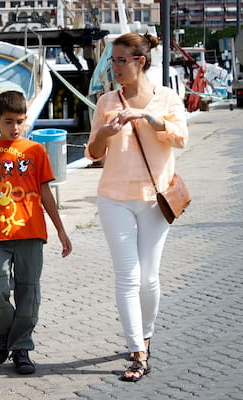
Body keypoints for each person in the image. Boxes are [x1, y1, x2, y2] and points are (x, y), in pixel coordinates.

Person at [85, 33, 188, 382]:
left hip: (155, 197)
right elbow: (93, 153)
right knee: (127, 276)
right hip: (114, 198)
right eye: (111, 61)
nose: (113, 67)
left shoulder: (167, 98)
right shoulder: (106, 102)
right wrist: (106, 132)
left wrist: (147, 117)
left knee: (149, 277)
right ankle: (137, 352)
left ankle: (146, 333)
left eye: (120, 61)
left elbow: (181, 138)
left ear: (140, 61)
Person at [0, 90, 72, 375]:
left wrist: (61, 230)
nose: (15, 128)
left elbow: (46, 193)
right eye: (9, 121)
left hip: (31, 233)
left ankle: (21, 347)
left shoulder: (35, 151)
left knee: (29, 291)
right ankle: (3, 330)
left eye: (20, 121)